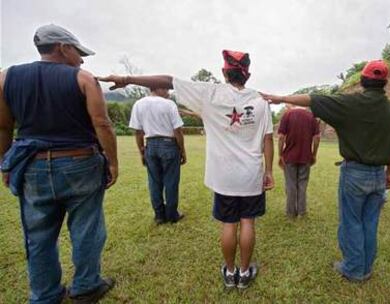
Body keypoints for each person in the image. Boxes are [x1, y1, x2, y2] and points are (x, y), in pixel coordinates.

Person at [99, 49, 274, 289]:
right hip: (251, 174)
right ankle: (244, 274)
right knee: (248, 223)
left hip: (224, 176)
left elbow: (168, 81)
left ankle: (230, 271)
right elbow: (268, 139)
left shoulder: (210, 94)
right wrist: (269, 171)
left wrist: (128, 79)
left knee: (229, 224)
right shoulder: (261, 101)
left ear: (224, 72)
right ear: (248, 74)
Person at [0, 24, 118, 303]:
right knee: (87, 229)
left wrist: (5, 163)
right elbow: (102, 123)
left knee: (38, 235)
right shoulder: (84, 79)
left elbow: (3, 128)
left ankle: (44, 294)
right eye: (78, 52)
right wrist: (112, 162)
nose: (81, 59)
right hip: (80, 162)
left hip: (32, 165)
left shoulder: (6, 78)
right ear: (62, 48)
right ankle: (87, 286)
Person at [262, 60, 390, 282]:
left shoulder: (351, 103)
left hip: (355, 173)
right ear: (385, 83)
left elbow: (313, 99)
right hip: (379, 174)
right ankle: (365, 267)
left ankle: (354, 269)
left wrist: (281, 98)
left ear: (363, 80)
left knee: (352, 222)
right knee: (370, 223)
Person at [129, 87, 186, 224]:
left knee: (154, 182)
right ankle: (172, 215)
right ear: (158, 88)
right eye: (166, 89)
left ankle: (159, 216)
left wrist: (141, 151)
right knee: (171, 181)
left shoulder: (139, 104)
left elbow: (138, 132)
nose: (168, 92)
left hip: (150, 145)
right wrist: (182, 150)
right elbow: (177, 130)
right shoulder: (169, 104)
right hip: (169, 143)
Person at [277, 107, 320, 218]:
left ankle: (290, 213)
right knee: (302, 184)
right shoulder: (312, 116)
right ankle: (302, 212)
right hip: (306, 156)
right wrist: (314, 154)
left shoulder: (287, 115)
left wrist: (280, 154)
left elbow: (281, 137)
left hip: (289, 156)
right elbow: (317, 138)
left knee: (290, 184)